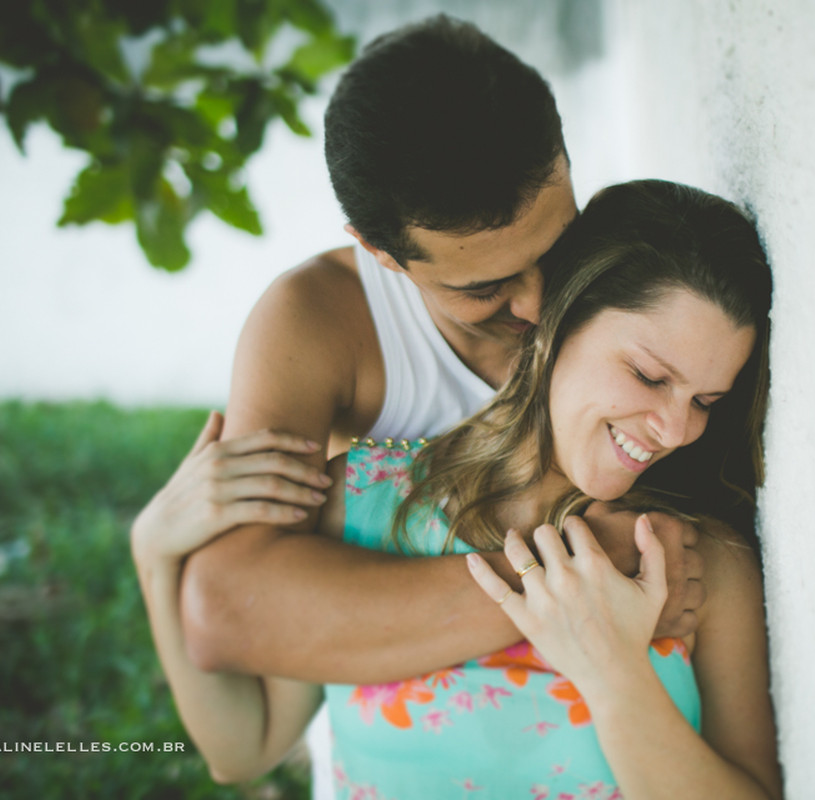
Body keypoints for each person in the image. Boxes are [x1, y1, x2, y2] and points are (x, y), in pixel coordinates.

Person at [130, 16, 707, 799]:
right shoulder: (322, 323)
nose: (541, 307)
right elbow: (237, 610)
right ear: (379, 251)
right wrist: (569, 575)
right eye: (482, 288)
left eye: (554, 248)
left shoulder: (630, 277)